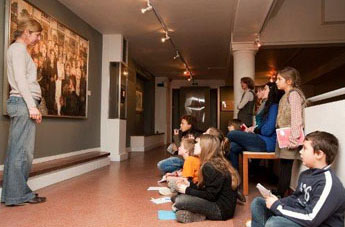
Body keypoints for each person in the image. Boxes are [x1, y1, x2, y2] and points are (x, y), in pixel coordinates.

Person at [247, 131, 345, 227]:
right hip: (302, 217)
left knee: (274, 224)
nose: (300, 151)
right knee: (258, 203)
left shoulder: (328, 184)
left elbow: (311, 218)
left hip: (312, 222)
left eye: (305, 148)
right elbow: (295, 199)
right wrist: (278, 202)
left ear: (319, 154)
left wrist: (277, 207)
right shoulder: (305, 174)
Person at [1, 18, 46, 206]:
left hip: (22, 103)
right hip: (22, 103)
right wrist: (32, 106)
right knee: (22, 153)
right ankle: (18, 195)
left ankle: (12, 194)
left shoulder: (18, 50)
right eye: (36, 35)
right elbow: (20, 80)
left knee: (17, 151)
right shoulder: (18, 50)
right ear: (27, 32)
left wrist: (33, 105)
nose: (38, 39)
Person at [173, 134, 240, 223]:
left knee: (179, 200)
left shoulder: (209, 166)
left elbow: (210, 196)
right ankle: (194, 214)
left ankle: (198, 215)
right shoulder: (212, 162)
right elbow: (206, 188)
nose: (195, 145)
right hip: (220, 205)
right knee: (176, 198)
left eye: (198, 143)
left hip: (220, 211)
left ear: (205, 147)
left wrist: (186, 190)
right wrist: (189, 184)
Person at [227, 82, 283, 170]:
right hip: (261, 138)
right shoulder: (268, 107)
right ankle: (236, 176)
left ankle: (249, 170)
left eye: (265, 89)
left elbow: (267, 130)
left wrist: (255, 129)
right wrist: (255, 129)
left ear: (271, 91)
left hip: (267, 143)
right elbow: (263, 127)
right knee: (234, 146)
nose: (262, 92)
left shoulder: (274, 106)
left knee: (232, 134)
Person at [275, 67, 306, 198]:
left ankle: (281, 195)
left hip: (290, 137)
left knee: (286, 166)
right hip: (284, 136)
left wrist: (294, 138)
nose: (276, 82)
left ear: (289, 81)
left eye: (279, 79)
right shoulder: (285, 95)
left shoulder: (294, 95)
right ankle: (280, 191)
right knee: (284, 165)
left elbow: (296, 118)